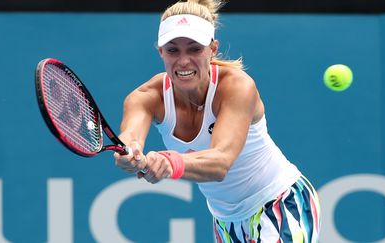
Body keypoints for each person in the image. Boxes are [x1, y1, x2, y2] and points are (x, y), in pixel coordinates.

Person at [114, 0, 321, 242]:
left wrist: (170, 162)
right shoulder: (145, 97)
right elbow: (130, 138)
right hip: (226, 223)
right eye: (173, 50)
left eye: (194, 49)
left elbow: (221, 162)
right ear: (161, 51)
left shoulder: (237, 86)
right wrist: (129, 155)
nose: (183, 61)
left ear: (212, 49)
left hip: (280, 202)